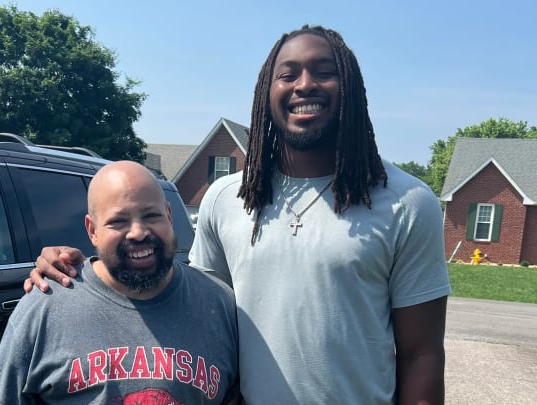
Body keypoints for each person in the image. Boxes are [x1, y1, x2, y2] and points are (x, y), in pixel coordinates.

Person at [26, 25, 452, 404]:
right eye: (288, 75)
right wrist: (75, 268)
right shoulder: (227, 197)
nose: (304, 85)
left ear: (352, 88)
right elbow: (190, 306)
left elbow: (422, 353)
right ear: (267, 93)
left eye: (324, 71)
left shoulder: (406, 202)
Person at [0, 161, 240, 404]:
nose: (138, 232)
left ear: (169, 216)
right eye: (118, 221)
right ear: (93, 231)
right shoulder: (45, 308)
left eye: (151, 216)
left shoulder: (219, 303)